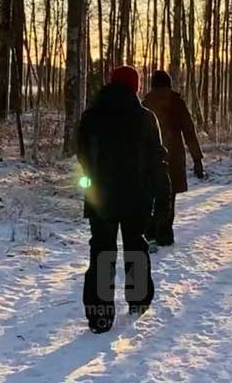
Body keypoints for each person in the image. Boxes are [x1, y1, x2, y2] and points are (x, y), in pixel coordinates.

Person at [75, 65, 169, 333]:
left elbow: (81, 152)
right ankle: (138, 301)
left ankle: (100, 315)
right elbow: (157, 160)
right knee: (135, 245)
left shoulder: (91, 116)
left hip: (99, 195)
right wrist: (162, 197)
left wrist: (93, 175)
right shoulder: (145, 117)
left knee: (102, 249)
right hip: (137, 195)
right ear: (135, 86)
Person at [142, 70, 204, 246]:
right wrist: (197, 159)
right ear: (169, 84)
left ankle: (150, 230)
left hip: (150, 158)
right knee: (170, 196)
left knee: (150, 195)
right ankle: (165, 233)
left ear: (152, 85)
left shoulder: (145, 103)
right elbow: (189, 132)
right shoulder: (177, 103)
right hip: (174, 157)